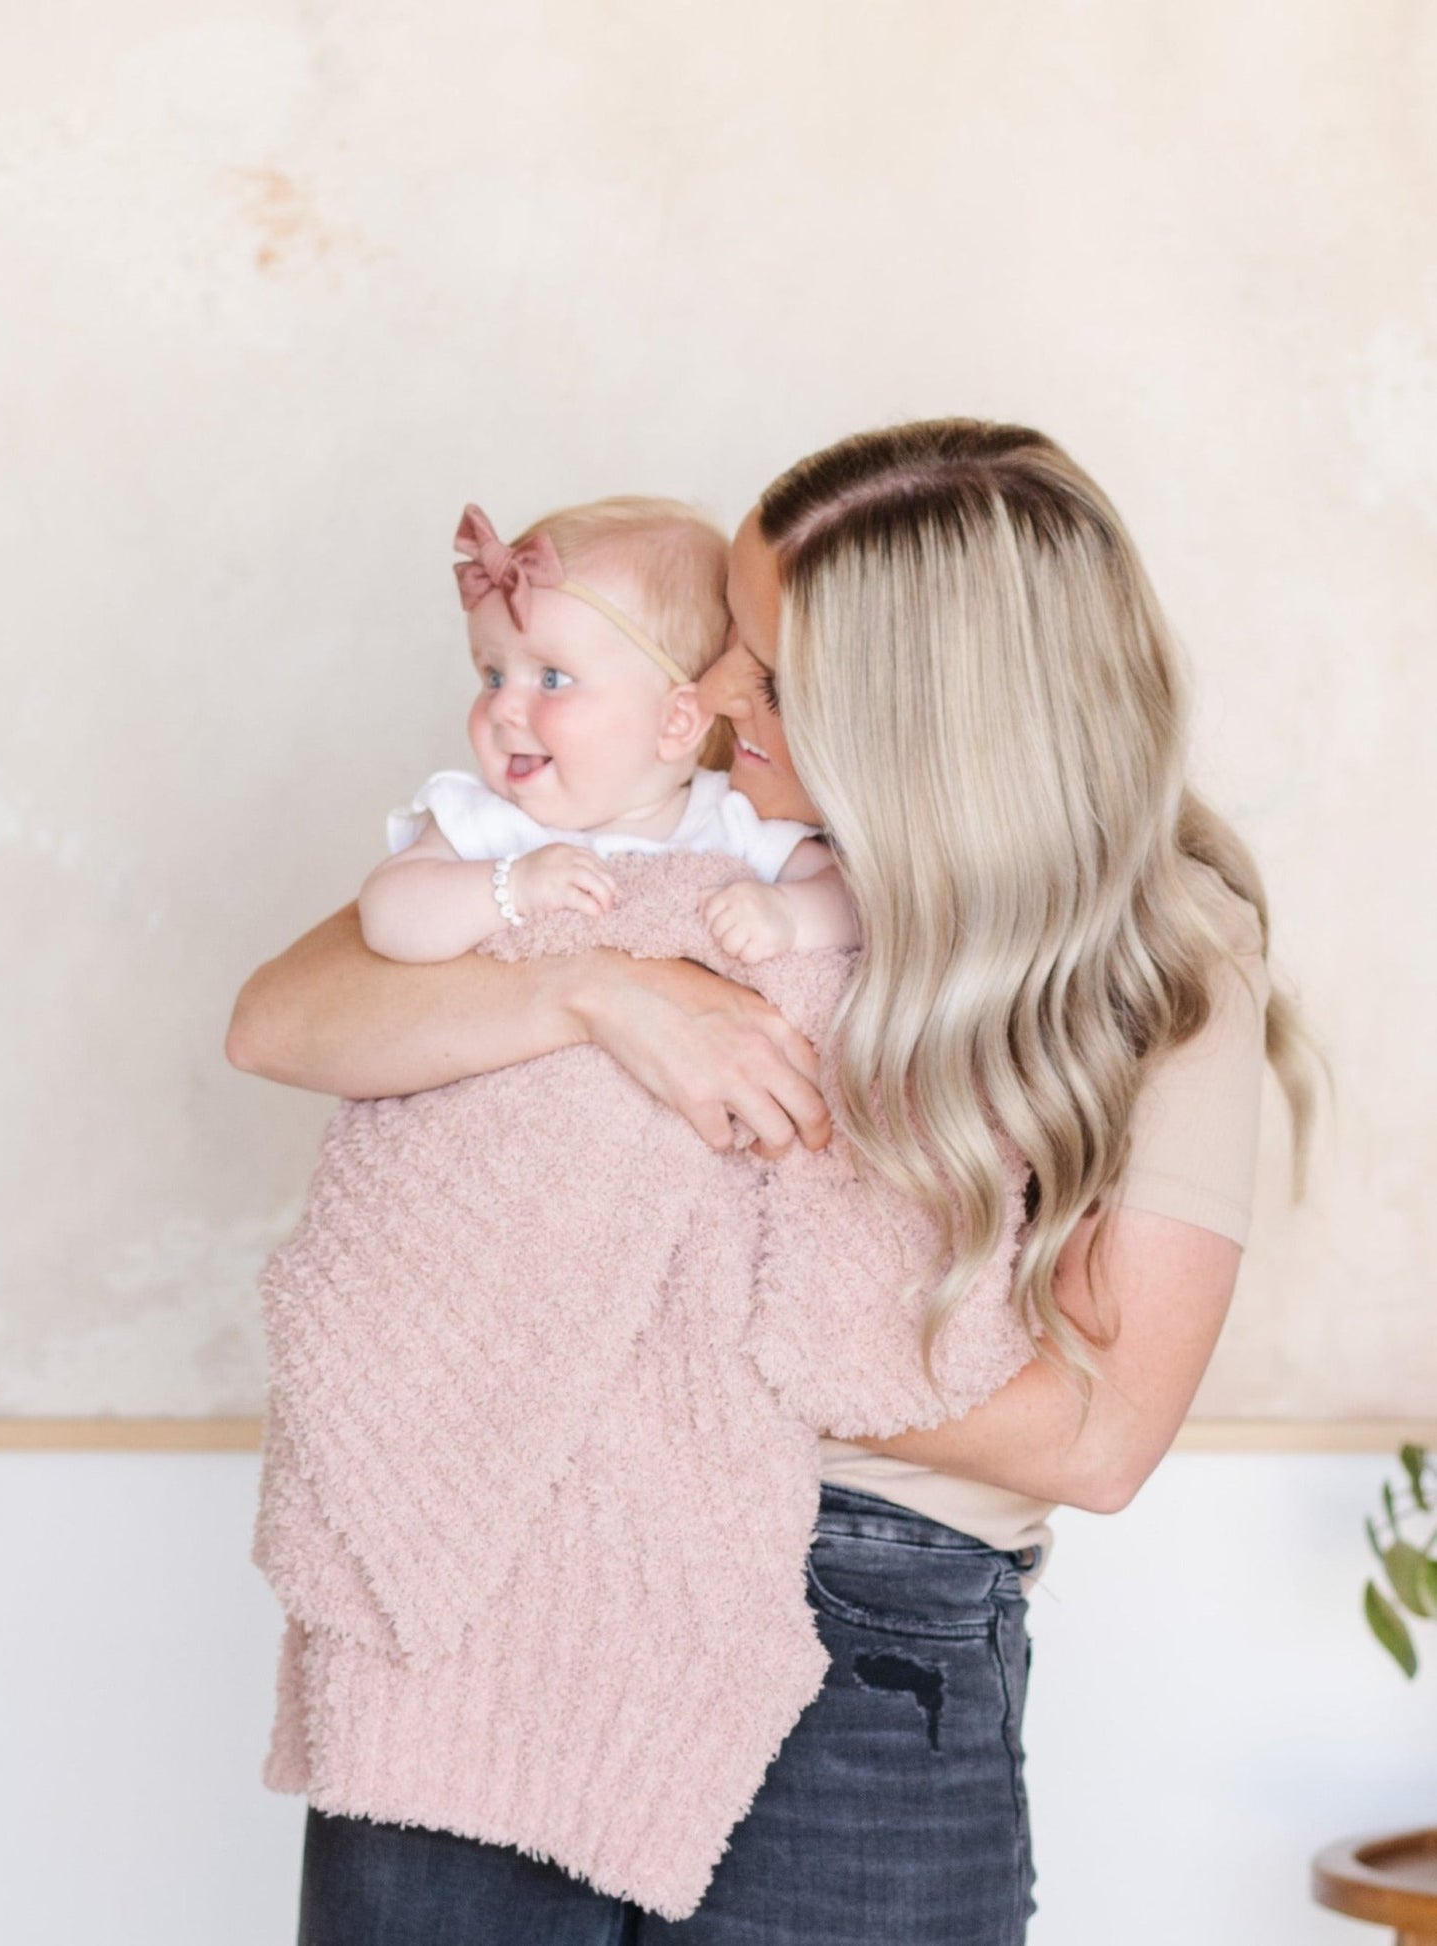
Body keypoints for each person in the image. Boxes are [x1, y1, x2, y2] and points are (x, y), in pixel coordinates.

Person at [227, 419, 1318, 1945]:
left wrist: (675, 1336)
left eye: (775, 677)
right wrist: (600, 992)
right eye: (726, 645)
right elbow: (280, 1018)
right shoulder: (662, 842)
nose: (714, 698)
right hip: (517, 1550)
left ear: (923, 717)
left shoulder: (1158, 947)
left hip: (859, 1617)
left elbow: (1095, 1433)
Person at [361, 497, 856, 963]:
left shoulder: (731, 818)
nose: (503, 707)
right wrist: (511, 888)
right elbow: (387, 912)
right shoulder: (485, 821)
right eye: (492, 676)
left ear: (675, 721)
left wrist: (789, 914)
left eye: (552, 679)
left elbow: (858, 902)